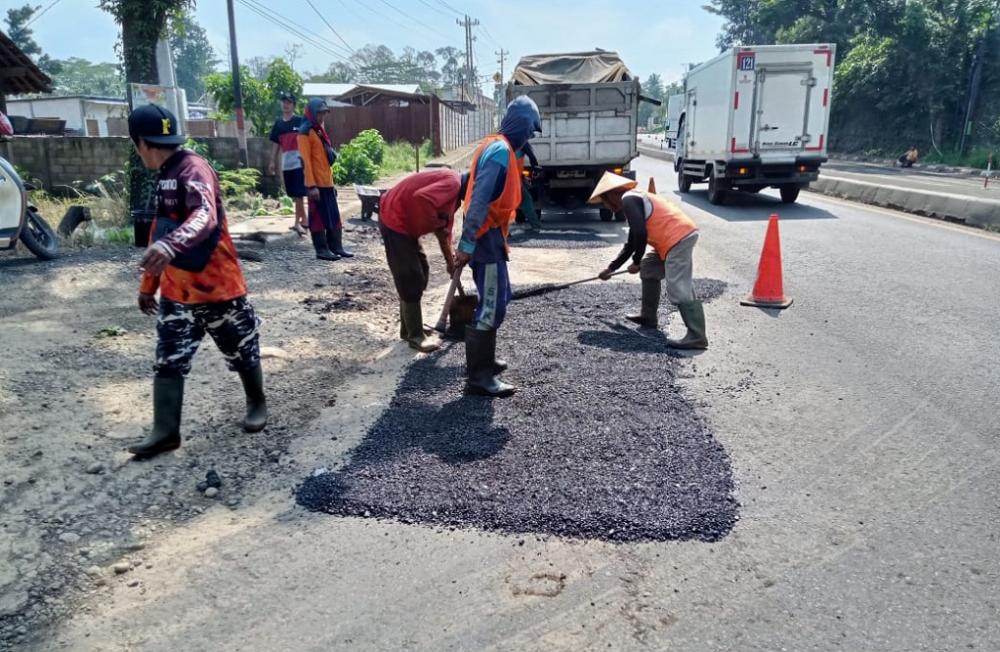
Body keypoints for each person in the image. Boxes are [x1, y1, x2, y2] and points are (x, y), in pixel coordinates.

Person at [127, 104, 267, 459]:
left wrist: (170, 246)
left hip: (219, 287)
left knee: (242, 349)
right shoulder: (164, 175)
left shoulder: (193, 169)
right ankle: (165, 431)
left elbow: (204, 215)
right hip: (178, 291)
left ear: (139, 142)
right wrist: (149, 285)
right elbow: (160, 232)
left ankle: (256, 402)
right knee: (169, 359)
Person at [454, 95, 543, 397]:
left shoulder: (504, 149)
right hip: (483, 238)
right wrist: (466, 242)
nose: (531, 136)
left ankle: (486, 361)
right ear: (519, 124)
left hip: (492, 237)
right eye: (531, 129)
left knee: (501, 296)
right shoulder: (499, 153)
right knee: (491, 305)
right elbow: (478, 199)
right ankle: (478, 377)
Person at [591, 171, 707, 350]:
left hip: (678, 238)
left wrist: (636, 261)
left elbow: (640, 234)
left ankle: (697, 335)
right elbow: (631, 242)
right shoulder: (634, 200)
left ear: (614, 193)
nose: (606, 205)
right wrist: (611, 268)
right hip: (670, 241)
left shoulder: (629, 198)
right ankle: (648, 317)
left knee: (678, 285)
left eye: (605, 200)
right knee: (649, 268)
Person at [377, 168, 466, 352]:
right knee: (410, 276)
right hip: (394, 218)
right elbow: (421, 198)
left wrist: (451, 264)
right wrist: (435, 224)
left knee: (422, 271)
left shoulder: (454, 196)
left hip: (406, 226)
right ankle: (415, 335)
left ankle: (408, 328)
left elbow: (444, 234)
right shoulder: (453, 183)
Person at [298, 97, 353, 261]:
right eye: (319, 114)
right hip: (315, 184)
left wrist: (331, 183)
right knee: (318, 219)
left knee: (334, 217)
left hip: (326, 182)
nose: (322, 117)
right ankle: (321, 250)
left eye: (324, 114)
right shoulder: (305, 132)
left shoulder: (319, 131)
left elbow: (323, 160)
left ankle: (336, 246)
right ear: (312, 113)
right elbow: (306, 161)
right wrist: (311, 186)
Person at [268, 92, 307, 235]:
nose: (286, 105)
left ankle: (297, 223)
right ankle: (305, 220)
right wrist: (272, 161)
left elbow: (308, 139)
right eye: (284, 102)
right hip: (286, 164)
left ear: (294, 105)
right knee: (294, 194)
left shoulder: (300, 121)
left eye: (289, 102)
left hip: (299, 163)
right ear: (281, 104)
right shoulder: (278, 124)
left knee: (298, 194)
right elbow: (275, 144)